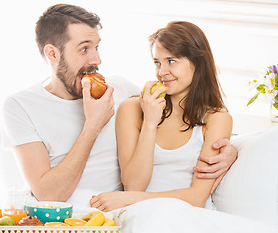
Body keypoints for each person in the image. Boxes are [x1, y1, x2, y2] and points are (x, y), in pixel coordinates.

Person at [1, 4, 237, 205]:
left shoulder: (120, 89)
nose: (96, 59)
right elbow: (49, 195)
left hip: (121, 209)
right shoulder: (20, 106)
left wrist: (232, 151)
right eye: (84, 49)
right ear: (53, 54)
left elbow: (180, 114)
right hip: (71, 213)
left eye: (97, 47)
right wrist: (93, 125)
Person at [90, 21, 232, 211]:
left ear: (197, 63)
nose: (161, 72)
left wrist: (129, 199)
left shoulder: (217, 118)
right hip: (139, 215)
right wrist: (150, 122)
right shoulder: (132, 108)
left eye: (171, 61)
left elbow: (197, 197)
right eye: (157, 62)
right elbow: (134, 184)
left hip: (189, 216)